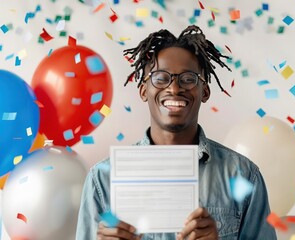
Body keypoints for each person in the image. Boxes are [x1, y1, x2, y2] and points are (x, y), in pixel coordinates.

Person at [76, 25, 276, 240]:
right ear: (144, 91)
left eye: (188, 79)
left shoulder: (243, 175)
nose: (174, 88)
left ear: (205, 91)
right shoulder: (103, 179)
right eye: (160, 78)